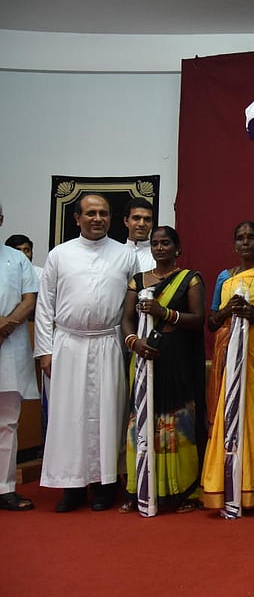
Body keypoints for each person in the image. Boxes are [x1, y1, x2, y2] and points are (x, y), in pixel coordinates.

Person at [34, 193, 141, 512]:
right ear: (77, 218)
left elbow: (131, 305)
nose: (98, 218)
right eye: (91, 213)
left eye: (104, 213)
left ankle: (105, 483)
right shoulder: (59, 255)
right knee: (69, 416)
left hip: (108, 342)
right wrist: (44, 350)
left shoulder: (125, 255)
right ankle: (71, 486)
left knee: (109, 413)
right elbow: (44, 305)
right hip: (67, 344)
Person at [200, 221, 254, 512]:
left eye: (251, 237)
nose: (245, 242)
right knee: (228, 421)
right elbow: (212, 322)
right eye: (240, 238)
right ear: (234, 245)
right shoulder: (224, 279)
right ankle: (225, 485)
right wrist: (228, 310)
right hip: (228, 359)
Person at [119, 226, 206, 514]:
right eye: (155, 243)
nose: (159, 248)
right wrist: (134, 342)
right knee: (141, 421)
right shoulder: (137, 281)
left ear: (177, 248)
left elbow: (197, 319)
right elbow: (127, 319)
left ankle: (181, 492)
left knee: (175, 423)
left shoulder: (190, 279)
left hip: (177, 361)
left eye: (165, 243)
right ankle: (140, 487)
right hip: (143, 358)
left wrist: (164, 313)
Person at [0, 205, 40, 511]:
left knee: (7, 422)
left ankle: (5, 489)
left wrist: (7, 324)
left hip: (9, 345)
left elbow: (30, 298)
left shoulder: (16, 259)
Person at [123, 197, 155, 272]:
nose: (141, 224)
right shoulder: (115, 254)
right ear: (126, 221)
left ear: (152, 224)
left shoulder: (159, 257)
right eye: (136, 218)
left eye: (147, 219)